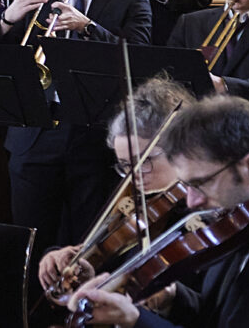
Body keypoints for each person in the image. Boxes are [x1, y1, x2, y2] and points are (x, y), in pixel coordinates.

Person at [61, 96, 249, 327]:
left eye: (199, 183)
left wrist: (136, 320)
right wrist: (171, 298)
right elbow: (224, 318)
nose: (191, 202)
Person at [0, 0, 153, 245]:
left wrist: (89, 27)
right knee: (30, 242)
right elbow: (2, 59)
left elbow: (138, 59)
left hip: (94, 136)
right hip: (36, 134)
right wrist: (7, 20)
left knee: (87, 243)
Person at [35, 78, 193, 298]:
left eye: (144, 161)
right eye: (126, 165)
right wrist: (61, 258)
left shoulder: (202, 211)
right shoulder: (119, 193)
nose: (134, 175)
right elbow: (88, 255)